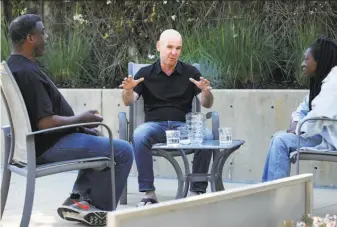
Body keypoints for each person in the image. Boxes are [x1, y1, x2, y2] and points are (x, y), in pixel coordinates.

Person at [7, 14, 133, 226]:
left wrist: (80, 127)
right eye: (42, 32)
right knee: (123, 151)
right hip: (48, 144)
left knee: (97, 141)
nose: (46, 37)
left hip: (38, 142)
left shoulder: (14, 65)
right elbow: (44, 122)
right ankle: (98, 213)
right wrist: (80, 119)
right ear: (30, 38)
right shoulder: (28, 73)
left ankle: (78, 201)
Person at [120, 29, 214, 206]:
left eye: (178, 48)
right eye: (169, 47)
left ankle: (196, 190)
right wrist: (128, 90)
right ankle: (149, 193)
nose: (174, 52)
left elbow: (207, 103)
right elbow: (128, 101)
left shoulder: (190, 72)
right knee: (139, 135)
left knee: (207, 136)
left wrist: (206, 91)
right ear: (158, 47)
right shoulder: (145, 73)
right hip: (155, 127)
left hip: (183, 127)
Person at [262, 37, 337, 182]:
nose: (302, 64)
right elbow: (303, 107)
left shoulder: (334, 81)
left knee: (281, 141)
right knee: (278, 137)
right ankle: (269, 191)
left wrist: (298, 130)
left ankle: (278, 195)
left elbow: (320, 114)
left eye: (306, 60)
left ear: (319, 61)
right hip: (322, 134)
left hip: (330, 138)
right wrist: (296, 123)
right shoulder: (322, 79)